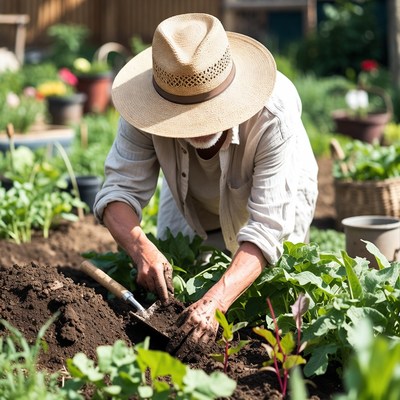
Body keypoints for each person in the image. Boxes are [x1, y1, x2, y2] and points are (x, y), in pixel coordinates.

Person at [93, 13, 318, 357]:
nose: (196, 124)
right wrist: (142, 249)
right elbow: (118, 192)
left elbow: (267, 229)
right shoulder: (143, 109)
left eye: (206, 110)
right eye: (183, 115)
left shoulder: (273, 114)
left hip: (273, 192)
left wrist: (216, 300)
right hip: (188, 195)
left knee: (277, 312)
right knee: (183, 285)